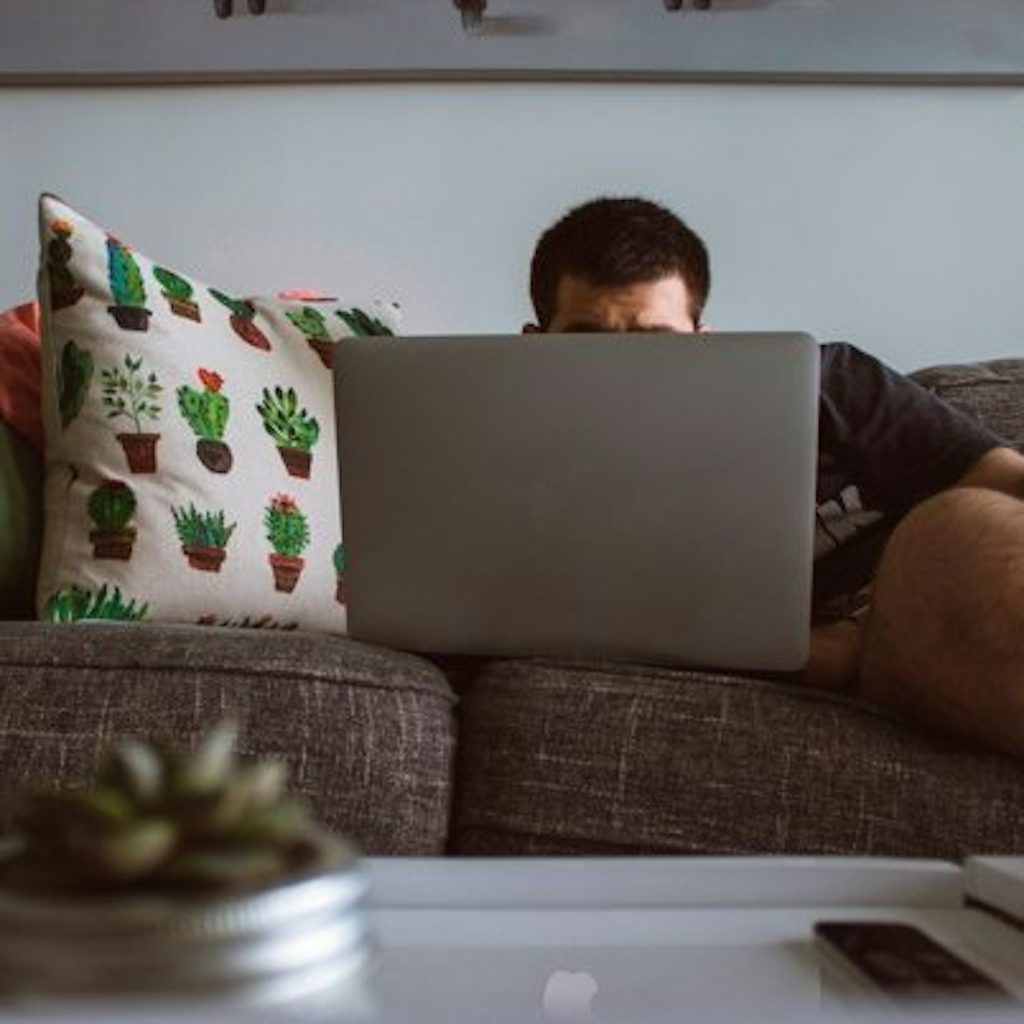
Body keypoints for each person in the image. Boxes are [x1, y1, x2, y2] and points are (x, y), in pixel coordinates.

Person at [525, 196, 1024, 758]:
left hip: (924, 602)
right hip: (879, 657)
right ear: (534, 346)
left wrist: (857, 633)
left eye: (656, 348)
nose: (622, 378)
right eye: (588, 346)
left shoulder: (823, 382)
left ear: (703, 344)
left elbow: (1006, 478)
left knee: (954, 528)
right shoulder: (509, 470)